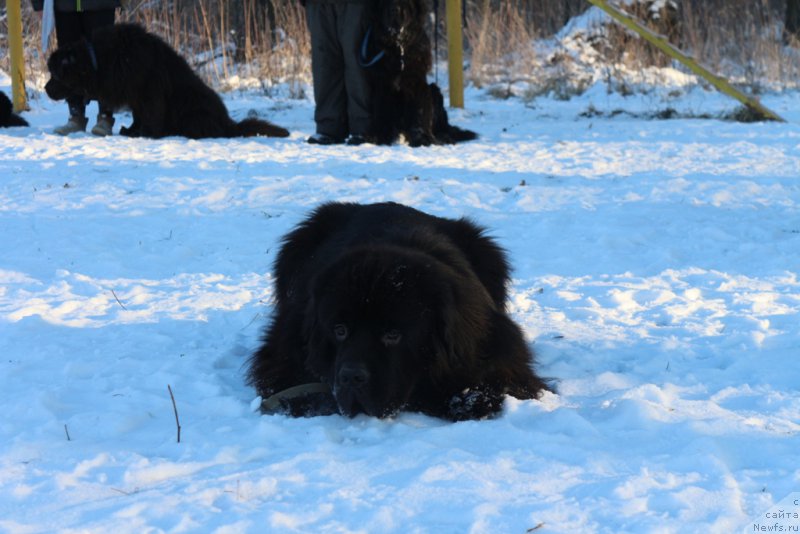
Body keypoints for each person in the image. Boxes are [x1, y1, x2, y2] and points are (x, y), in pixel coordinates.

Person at [32, 0, 121, 136]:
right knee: (68, 62)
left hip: (101, 5)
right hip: (65, 6)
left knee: (104, 59)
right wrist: (39, 3)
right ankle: (76, 116)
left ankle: (105, 117)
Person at [303, 0, 371, 145]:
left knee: (357, 64)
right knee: (324, 64)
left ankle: (364, 127)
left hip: (356, 5)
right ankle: (329, 127)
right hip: (317, 4)